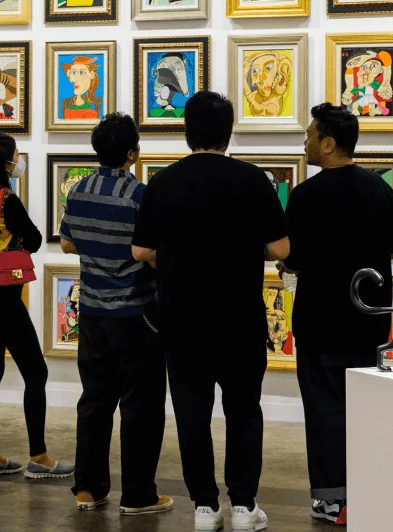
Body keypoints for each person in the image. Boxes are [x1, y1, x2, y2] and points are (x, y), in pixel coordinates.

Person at [132, 92, 289, 532]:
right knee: (244, 411)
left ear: (187, 130)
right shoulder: (253, 179)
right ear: (229, 131)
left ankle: (204, 506)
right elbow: (280, 248)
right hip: (240, 319)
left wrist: (176, 256)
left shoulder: (164, 182)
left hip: (182, 319)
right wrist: (242, 251)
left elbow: (140, 250)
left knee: (191, 414)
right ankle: (243, 506)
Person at [281, 103, 393, 526]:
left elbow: (291, 258)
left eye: (310, 135)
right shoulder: (379, 189)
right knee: (364, 409)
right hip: (368, 319)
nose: (305, 142)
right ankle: (367, 491)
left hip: (320, 320)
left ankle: (332, 499)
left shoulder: (305, 195)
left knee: (324, 411)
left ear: (329, 143)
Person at [60, 113, 170, 516]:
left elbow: (68, 244)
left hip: (91, 312)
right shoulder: (140, 195)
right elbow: (149, 252)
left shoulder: (79, 189)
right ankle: (138, 495)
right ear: (131, 153)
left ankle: (88, 489)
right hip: (135, 313)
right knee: (140, 405)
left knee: (95, 400)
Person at [0, 133, 73, 479]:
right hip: (3, 295)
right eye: (15, 155)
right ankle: (39, 456)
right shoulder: (7, 200)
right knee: (36, 373)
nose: (18, 161)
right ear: (5, 162)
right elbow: (36, 239)